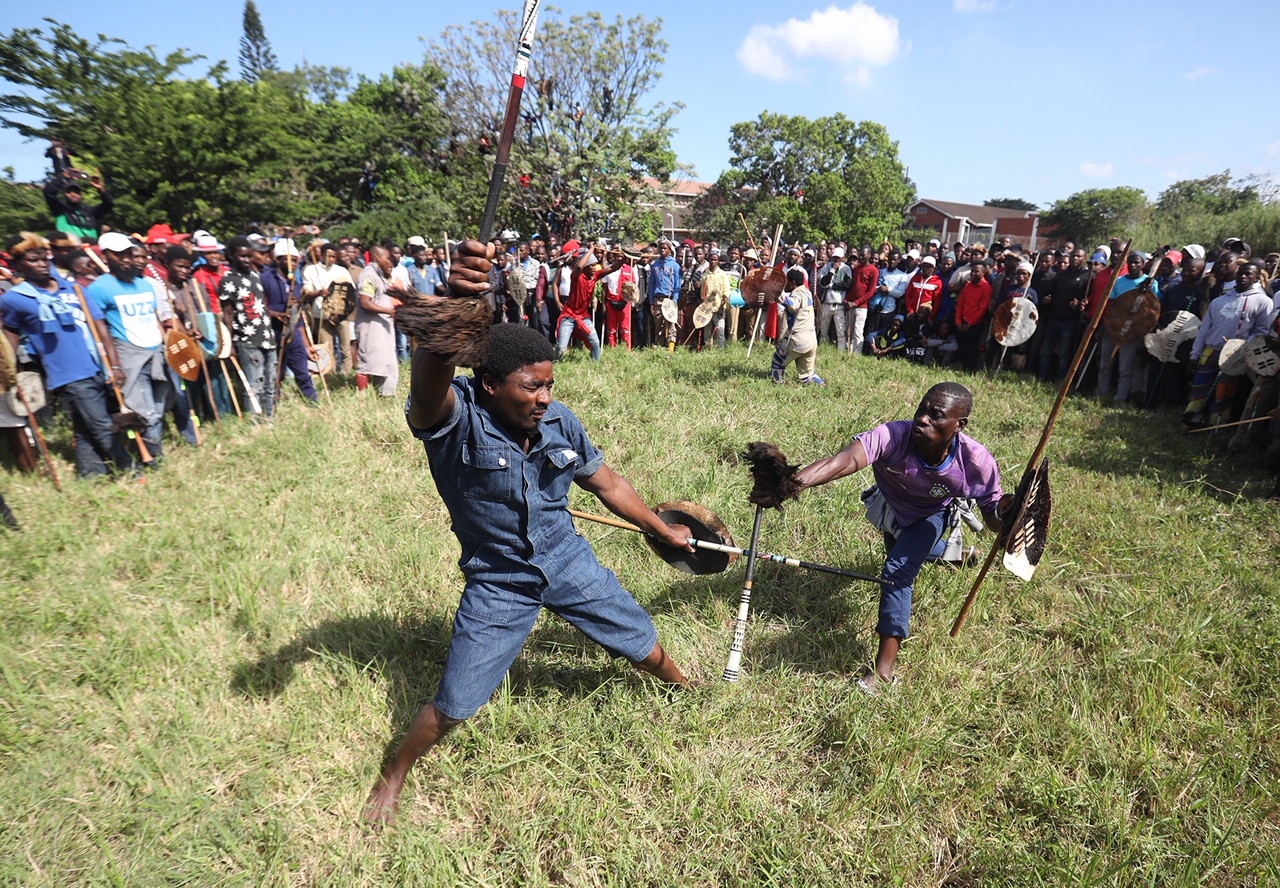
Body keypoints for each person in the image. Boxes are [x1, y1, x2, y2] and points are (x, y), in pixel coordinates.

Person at [363, 239, 693, 825]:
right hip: (500, 580)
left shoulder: (559, 420)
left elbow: (606, 482)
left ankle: (686, 691)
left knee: (642, 642)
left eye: (548, 385)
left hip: (567, 561)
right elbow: (429, 384)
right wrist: (455, 306)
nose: (544, 399)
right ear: (490, 383)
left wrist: (660, 529)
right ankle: (393, 778)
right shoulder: (454, 419)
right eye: (531, 388)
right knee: (455, 705)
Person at [771, 382, 1005, 694]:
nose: (922, 419)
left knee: (896, 573)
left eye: (936, 416)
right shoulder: (894, 435)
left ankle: (883, 673)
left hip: (931, 515)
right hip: (892, 507)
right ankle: (958, 555)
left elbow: (993, 519)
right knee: (906, 553)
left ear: (959, 425)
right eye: (922, 409)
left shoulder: (976, 462)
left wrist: (1008, 517)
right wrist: (789, 485)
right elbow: (841, 462)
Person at [1, 232, 126, 477]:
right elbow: (9, 340)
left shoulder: (74, 288)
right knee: (100, 422)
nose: (41, 264)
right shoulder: (15, 299)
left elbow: (101, 327)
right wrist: (10, 373)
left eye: (44, 258)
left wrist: (115, 365)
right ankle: (130, 467)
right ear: (16, 266)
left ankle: (90, 473)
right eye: (32, 260)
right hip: (65, 371)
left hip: (94, 364)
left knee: (84, 425)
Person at [87, 232, 173, 461]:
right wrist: (112, 366)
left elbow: (155, 316)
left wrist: (166, 343)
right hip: (129, 354)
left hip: (156, 351)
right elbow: (99, 328)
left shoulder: (145, 285)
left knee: (159, 406)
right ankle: (150, 456)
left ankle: (154, 449)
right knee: (141, 411)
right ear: (106, 256)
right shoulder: (99, 288)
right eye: (118, 255)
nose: (125, 259)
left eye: (128, 253)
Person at [218, 235, 276, 419]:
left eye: (249, 256)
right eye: (242, 256)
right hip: (247, 339)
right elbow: (228, 315)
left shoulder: (254, 275)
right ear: (231, 256)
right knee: (254, 383)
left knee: (270, 382)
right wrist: (230, 344)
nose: (247, 260)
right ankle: (254, 422)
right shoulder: (228, 280)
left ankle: (269, 418)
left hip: (266, 335)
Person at [354, 245, 403, 397]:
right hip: (371, 327)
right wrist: (389, 311)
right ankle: (362, 396)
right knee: (368, 362)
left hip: (383, 326)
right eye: (387, 258)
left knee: (386, 361)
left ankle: (386, 394)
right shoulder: (368, 275)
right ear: (377, 258)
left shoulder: (380, 275)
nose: (391, 261)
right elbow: (365, 302)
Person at [769, 268, 823, 385]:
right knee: (807, 375)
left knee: (778, 361)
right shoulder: (807, 292)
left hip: (798, 339)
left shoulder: (798, 294)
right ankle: (823, 386)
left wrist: (778, 291)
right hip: (811, 340)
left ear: (793, 282)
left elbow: (793, 304)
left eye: (786, 282)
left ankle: (776, 385)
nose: (785, 285)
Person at [43, 168, 113, 241]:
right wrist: (63, 177)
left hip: (90, 248)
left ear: (81, 194)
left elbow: (109, 204)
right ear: (64, 194)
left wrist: (101, 189)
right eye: (69, 192)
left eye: (76, 192)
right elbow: (48, 193)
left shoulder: (90, 211)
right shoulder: (60, 209)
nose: (73, 194)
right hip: (70, 248)